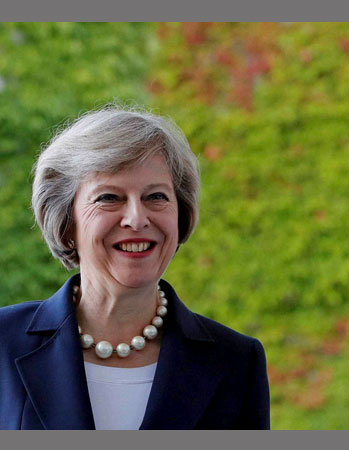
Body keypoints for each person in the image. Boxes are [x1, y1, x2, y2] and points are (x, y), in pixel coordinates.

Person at [0, 106, 270, 430]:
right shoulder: (3, 343)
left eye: (156, 196)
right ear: (66, 223)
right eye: (109, 198)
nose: (137, 218)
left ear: (180, 215)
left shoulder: (237, 364)